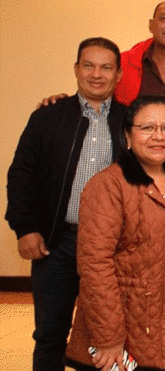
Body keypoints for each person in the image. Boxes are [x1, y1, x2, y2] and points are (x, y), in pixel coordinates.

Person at [5, 37, 125, 371]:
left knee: (106, 334)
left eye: (106, 67)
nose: (96, 74)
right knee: (50, 334)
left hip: (110, 247)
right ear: (76, 69)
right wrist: (26, 228)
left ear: (118, 74)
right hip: (55, 243)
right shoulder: (48, 117)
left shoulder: (129, 122)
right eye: (88, 65)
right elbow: (21, 175)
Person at [64, 96, 165, 370]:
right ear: (127, 135)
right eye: (147, 128)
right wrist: (109, 337)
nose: (158, 136)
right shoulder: (108, 186)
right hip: (129, 330)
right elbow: (94, 266)